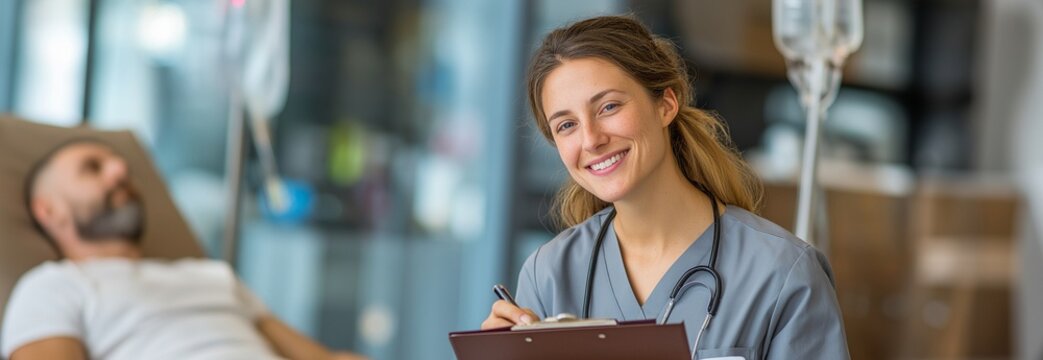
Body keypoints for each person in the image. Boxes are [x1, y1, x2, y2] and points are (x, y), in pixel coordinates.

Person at [481, 15, 849, 359]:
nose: (591, 139)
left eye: (608, 106)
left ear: (666, 104)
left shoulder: (782, 274)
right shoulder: (549, 275)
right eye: (566, 126)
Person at [2, 139, 366, 360]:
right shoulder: (52, 288)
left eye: (121, 168)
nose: (118, 171)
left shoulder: (212, 276)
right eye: (92, 168)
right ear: (48, 210)